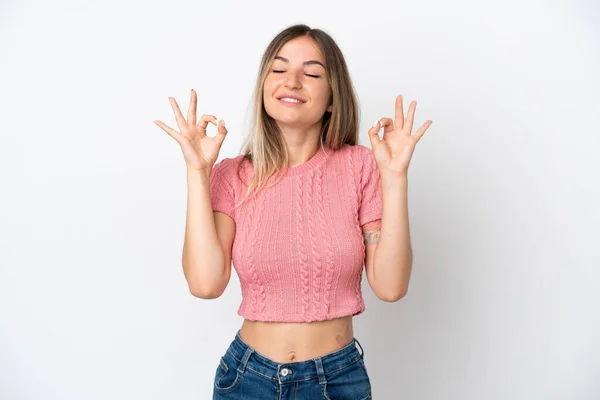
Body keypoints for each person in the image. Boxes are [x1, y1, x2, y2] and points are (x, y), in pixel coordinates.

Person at [154, 23, 432, 400]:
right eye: (279, 69)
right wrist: (197, 172)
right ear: (265, 87)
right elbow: (205, 284)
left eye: (312, 73)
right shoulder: (233, 175)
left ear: (333, 98)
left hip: (337, 380)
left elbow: (391, 285)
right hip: (246, 379)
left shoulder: (361, 167)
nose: (293, 81)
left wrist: (395, 176)